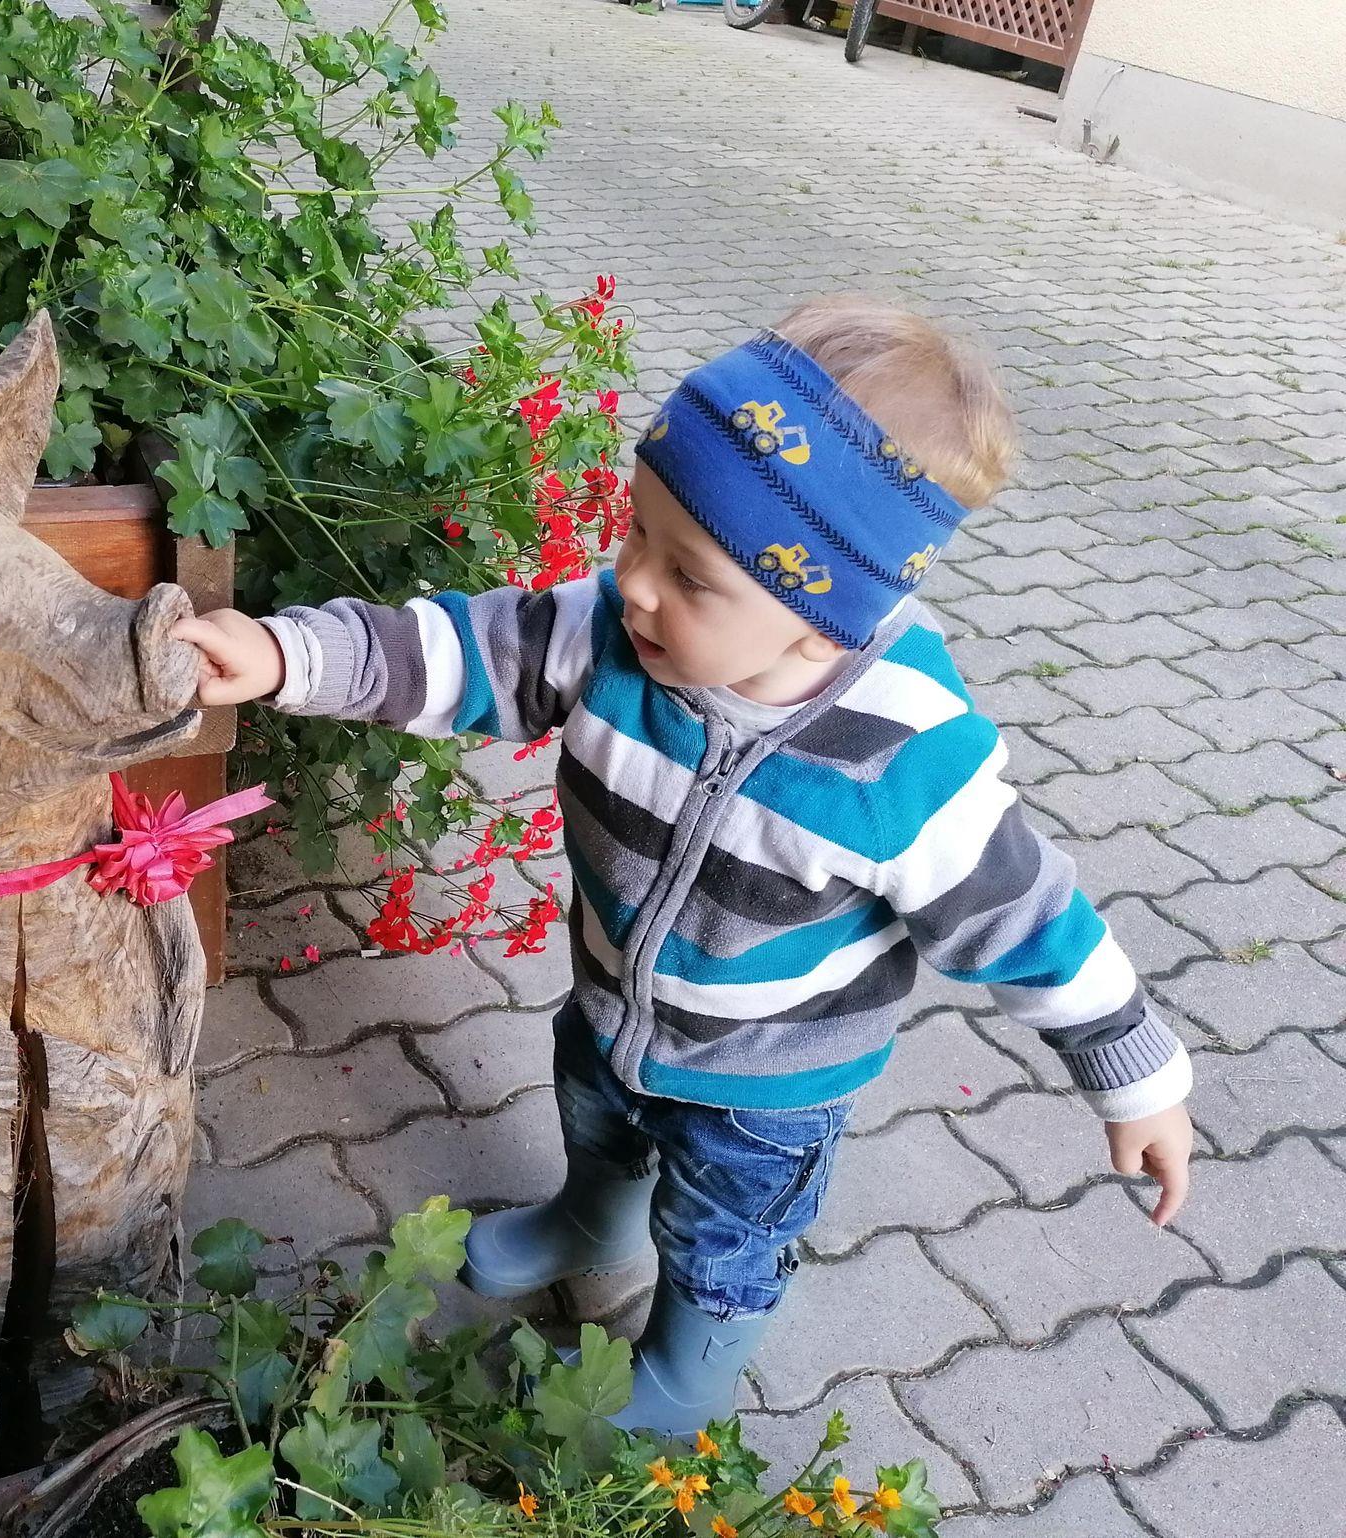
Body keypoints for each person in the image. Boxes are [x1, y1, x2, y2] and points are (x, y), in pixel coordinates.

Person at [173, 294, 1195, 1437]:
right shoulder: (610, 630)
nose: (635, 582)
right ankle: (588, 1222)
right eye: (636, 532)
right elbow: (457, 649)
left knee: (724, 1237)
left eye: (689, 572)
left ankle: (685, 1368)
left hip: (765, 1089)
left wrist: (1133, 1074)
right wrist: (286, 654)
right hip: (612, 1006)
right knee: (594, 1118)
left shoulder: (903, 756)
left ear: (820, 620)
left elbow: (1026, 917)